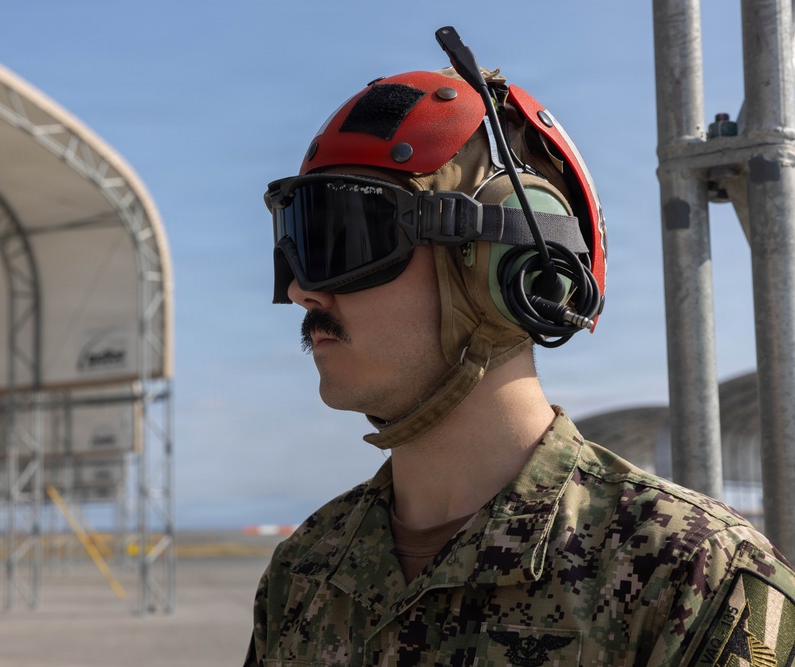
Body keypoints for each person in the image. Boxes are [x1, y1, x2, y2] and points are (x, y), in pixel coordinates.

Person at [246, 27, 795, 667]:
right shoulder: (306, 571)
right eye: (297, 239)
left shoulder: (687, 576)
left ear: (505, 263)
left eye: (341, 240)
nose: (300, 289)